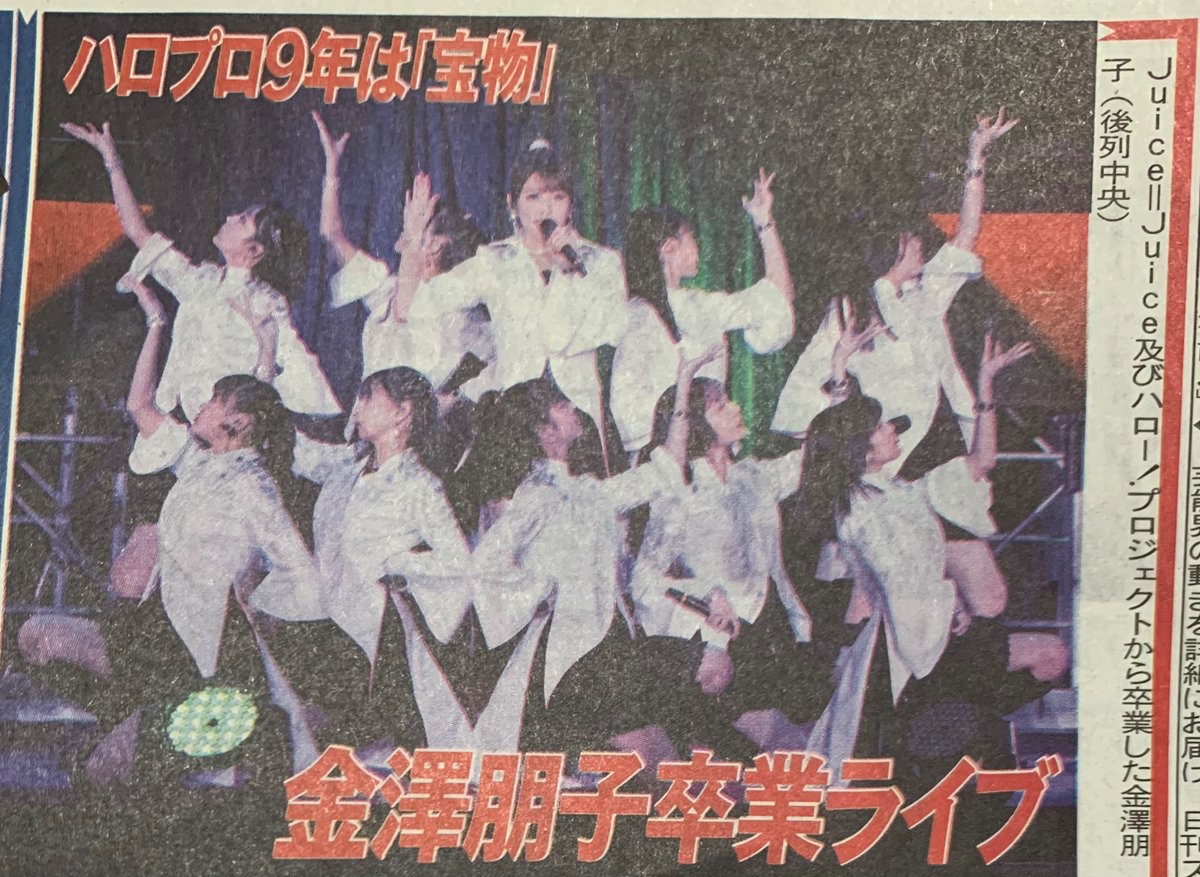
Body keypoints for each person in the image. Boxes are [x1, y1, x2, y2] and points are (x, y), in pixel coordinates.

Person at [801, 334, 1068, 783]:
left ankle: (960, 726)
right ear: (863, 448)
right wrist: (952, 605)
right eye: (882, 428)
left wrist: (985, 386)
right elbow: (898, 578)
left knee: (1049, 657)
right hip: (919, 641)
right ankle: (952, 730)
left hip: (936, 632)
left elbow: (980, 461)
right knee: (1045, 656)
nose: (893, 430)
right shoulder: (861, 509)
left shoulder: (899, 492)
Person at [464, 350, 713, 764]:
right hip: (574, 656)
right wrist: (537, 592)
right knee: (659, 761)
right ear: (545, 432)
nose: (573, 407)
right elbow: (486, 565)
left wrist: (685, 379)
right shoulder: (535, 498)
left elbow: (666, 467)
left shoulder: (588, 491)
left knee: (695, 694)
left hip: (611, 643)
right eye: (561, 405)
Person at [771, 108, 1019, 472]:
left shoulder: (926, 294)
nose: (920, 245)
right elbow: (810, 374)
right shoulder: (852, 310)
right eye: (910, 242)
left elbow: (967, 233)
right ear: (893, 253)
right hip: (873, 443)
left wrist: (976, 157)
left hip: (919, 434)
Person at [61, 121, 340, 421]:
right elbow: (138, 232)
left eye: (242, 220)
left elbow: (295, 365)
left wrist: (267, 356)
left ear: (254, 251)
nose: (230, 217)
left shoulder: (267, 302)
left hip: (223, 429)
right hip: (178, 420)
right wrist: (111, 159)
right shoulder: (201, 280)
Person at [406, 138, 629, 467]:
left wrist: (567, 273)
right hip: (515, 413)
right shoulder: (495, 261)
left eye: (558, 197)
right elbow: (420, 303)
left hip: (575, 415)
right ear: (513, 204)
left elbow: (606, 329)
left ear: (571, 205)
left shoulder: (600, 261)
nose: (546, 209)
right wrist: (414, 240)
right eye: (533, 197)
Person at [291, 365, 474, 754]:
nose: (356, 408)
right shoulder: (349, 468)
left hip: (374, 634)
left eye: (368, 397)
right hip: (328, 616)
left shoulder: (418, 485)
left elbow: (458, 561)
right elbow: (299, 452)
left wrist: (399, 562)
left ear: (402, 412)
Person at [631, 377, 818, 757]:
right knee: (738, 758)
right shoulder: (677, 491)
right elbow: (645, 578)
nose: (735, 408)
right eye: (720, 406)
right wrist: (709, 601)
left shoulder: (751, 476)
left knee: (787, 749)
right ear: (696, 425)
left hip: (766, 626)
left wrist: (839, 377)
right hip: (711, 636)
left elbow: (817, 455)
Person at [611, 169, 795, 454]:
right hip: (680, 453)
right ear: (669, 247)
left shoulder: (676, 306)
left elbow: (775, 303)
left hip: (682, 452)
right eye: (691, 237)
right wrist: (764, 224)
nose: (697, 247)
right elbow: (778, 299)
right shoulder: (669, 310)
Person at [311, 112, 490, 389]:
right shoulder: (388, 291)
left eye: (419, 220)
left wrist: (415, 232)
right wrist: (332, 168)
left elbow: (409, 311)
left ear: (436, 245)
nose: (406, 223)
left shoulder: (455, 306)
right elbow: (332, 235)